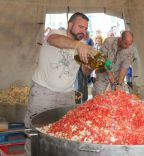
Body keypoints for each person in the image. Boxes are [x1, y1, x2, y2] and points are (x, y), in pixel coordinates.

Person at [24, 12, 92, 156]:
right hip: (44, 93)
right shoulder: (56, 33)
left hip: (67, 95)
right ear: (70, 25)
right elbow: (55, 40)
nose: (83, 31)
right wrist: (78, 45)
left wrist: (90, 65)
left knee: (63, 133)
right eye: (80, 27)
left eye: (85, 29)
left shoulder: (82, 46)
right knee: (35, 133)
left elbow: (85, 71)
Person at [92, 30, 136, 96]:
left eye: (130, 44)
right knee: (98, 94)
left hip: (118, 74)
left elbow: (124, 67)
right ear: (121, 39)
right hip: (103, 71)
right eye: (126, 43)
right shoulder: (109, 42)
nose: (127, 46)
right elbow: (103, 58)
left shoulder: (131, 49)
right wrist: (110, 73)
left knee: (120, 95)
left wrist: (119, 84)